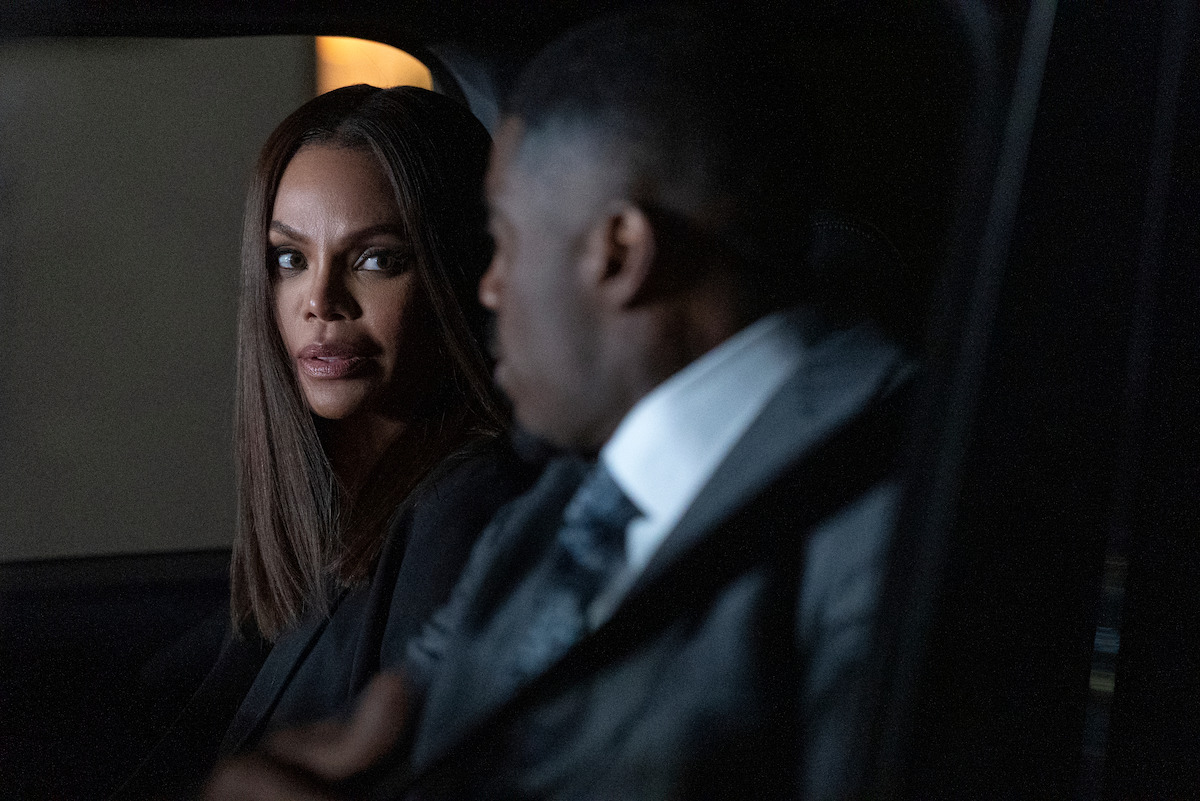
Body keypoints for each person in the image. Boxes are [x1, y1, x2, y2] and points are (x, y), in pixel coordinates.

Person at [206, 9, 914, 800]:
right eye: (287, 258)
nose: (486, 288)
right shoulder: (556, 512)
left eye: (506, 242)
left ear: (619, 253)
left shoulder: (891, 528)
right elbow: (386, 742)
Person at [110, 85, 540, 799]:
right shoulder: (332, 515)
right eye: (290, 259)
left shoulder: (465, 509)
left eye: (376, 259)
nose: (320, 301)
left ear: (461, 272)